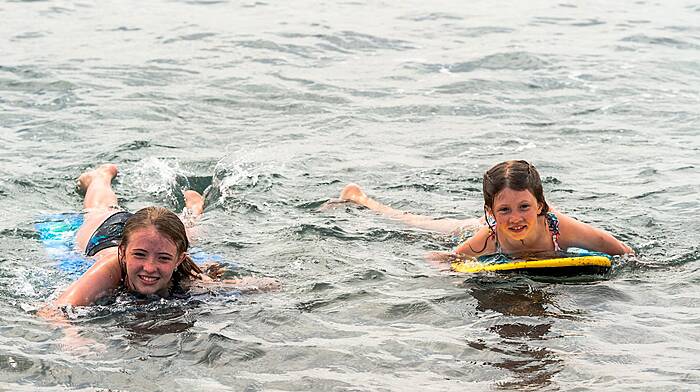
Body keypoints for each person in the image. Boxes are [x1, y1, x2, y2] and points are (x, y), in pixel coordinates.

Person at [45, 164, 278, 309]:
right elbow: (56, 310)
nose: (149, 267)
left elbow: (255, 286)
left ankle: (194, 211)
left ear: (178, 260)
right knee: (99, 209)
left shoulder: (187, 272)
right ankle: (99, 177)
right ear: (124, 253)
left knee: (185, 232)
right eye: (139, 256)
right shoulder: (111, 267)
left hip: (150, 237)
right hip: (104, 234)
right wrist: (73, 338)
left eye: (164, 259)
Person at [331, 160, 633, 260]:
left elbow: (613, 247)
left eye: (524, 207)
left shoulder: (557, 227)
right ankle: (359, 199)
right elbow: (442, 259)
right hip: (471, 230)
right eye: (505, 209)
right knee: (414, 224)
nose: (515, 218)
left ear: (539, 205)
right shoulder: (488, 238)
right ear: (491, 209)